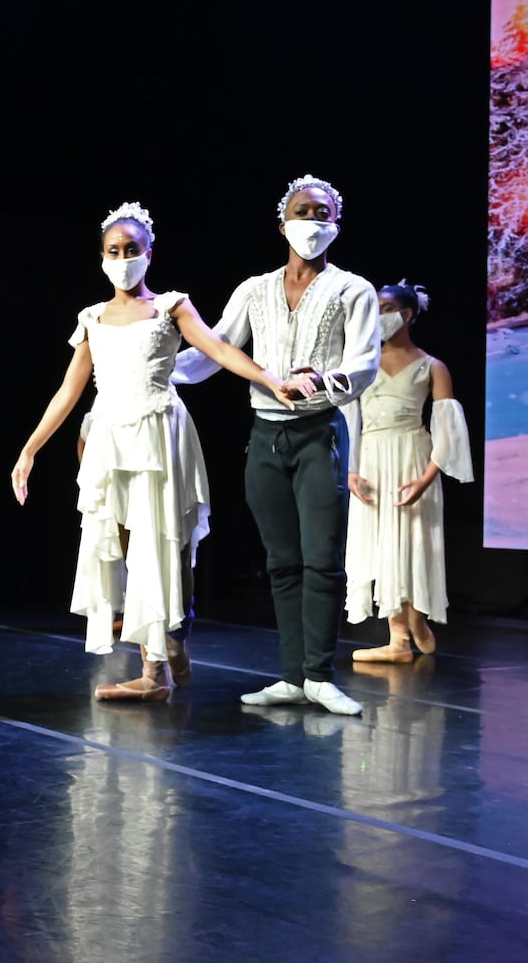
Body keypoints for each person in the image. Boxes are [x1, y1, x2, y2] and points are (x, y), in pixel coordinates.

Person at [11, 202, 305, 702]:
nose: (123, 258)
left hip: (159, 436)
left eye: (132, 250)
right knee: (127, 547)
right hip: (111, 439)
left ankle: (165, 655)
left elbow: (219, 350)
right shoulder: (92, 318)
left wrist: (271, 380)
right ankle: (162, 658)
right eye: (113, 251)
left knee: (167, 545)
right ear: (101, 256)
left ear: (149, 253)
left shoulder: (171, 306)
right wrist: (29, 450)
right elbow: (69, 391)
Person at [171, 175, 380, 715]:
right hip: (265, 437)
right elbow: (215, 348)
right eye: (302, 210)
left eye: (322, 212)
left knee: (323, 560)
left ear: (336, 224)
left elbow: (364, 363)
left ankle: (319, 674)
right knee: (282, 562)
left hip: (318, 434)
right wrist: (157, 367)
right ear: (281, 222)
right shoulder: (254, 289)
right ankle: (291, 676)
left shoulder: (352, 289)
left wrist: (325, 380)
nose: (312, 221)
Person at [345, 280, 474, 660]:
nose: (377, 316)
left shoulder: (432, 365)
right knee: (381, 543)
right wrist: (350, 470)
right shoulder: (362, 364)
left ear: (405, 314)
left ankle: (416, 617)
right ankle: (397, 639)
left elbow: (448, 429)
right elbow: (350, 419)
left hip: (412, 457)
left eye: (384, 308)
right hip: (371, 459)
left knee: (413, 539)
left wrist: (427, 476)